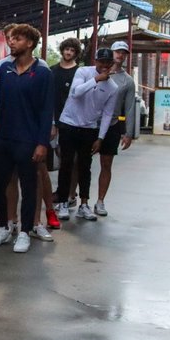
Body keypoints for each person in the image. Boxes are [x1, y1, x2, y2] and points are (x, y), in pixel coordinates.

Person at [0, 24, 53, 253]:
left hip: (28, 140)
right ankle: (3, 226)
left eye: (17, 39)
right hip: (3, 138)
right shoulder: (3, 70)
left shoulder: (43, 73)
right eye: (11, 38)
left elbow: (46, 110)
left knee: (29, 186)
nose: (11, 42)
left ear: (30, 43)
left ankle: (25, 232)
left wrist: (42, 142)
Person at [54, 48, 119, 223]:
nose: (104, 66)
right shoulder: (83, 72)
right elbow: (76, 92)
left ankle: (84, 203)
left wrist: (100, 138)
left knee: (85, 166)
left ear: (112, 64)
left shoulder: (113, 87)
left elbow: (107, 114)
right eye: (101, 62)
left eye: (108, 63)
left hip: (89, 128)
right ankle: (62, 202)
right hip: (69, 123)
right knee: (66, 164)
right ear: (95, 61)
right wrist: (96, 79)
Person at [95, 40, 138, 216]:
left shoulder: (127, 81)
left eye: (124, 53)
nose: (120, 55)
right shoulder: (94, 72)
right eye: (117, 51)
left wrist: (128, 133)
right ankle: (72, 197)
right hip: (90, 123)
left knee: (106, 164)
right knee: (78, 162)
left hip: (112, 125)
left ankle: (100, 201)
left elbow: (128, 107)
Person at [49, 38, 81, 220]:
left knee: (73, 159)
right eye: (66, 49)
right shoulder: (53, 71)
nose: (68, 53)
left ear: (76, 53)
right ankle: (62, 192)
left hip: (74, 121)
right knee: (61, 158)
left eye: (72, 50)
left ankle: (71, 193)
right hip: (56, 119)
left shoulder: (79, 72)